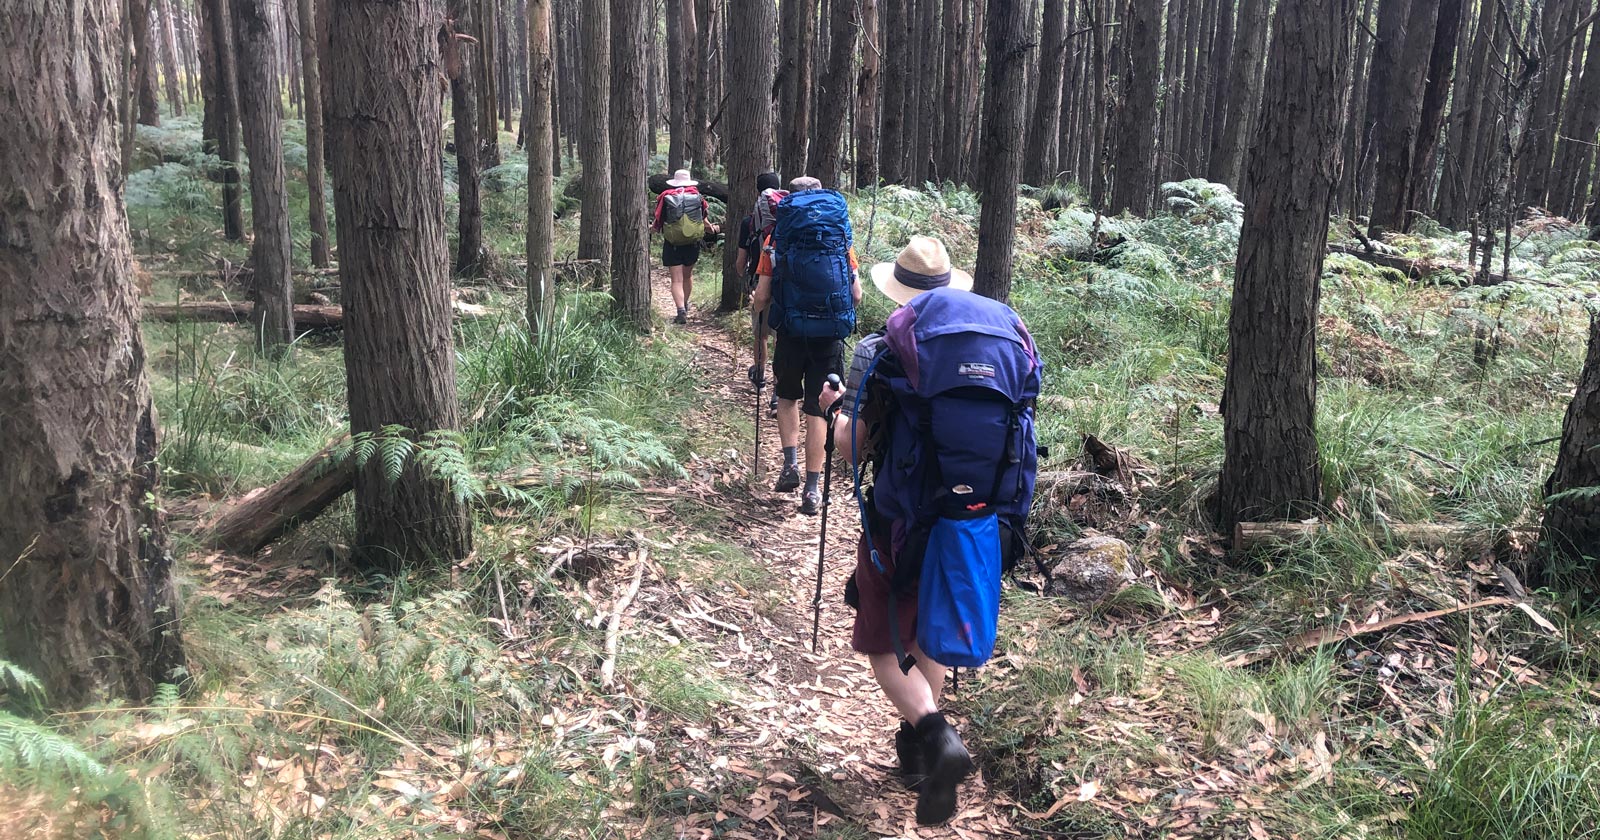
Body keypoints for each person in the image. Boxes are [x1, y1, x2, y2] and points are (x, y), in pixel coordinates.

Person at [817, 236, 1039, 826]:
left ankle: (934, 734)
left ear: (901, 290)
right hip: (975, 517)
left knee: (884, 636)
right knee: (930, 622)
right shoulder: (998, 343)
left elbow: (852, 446)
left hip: (901, 520)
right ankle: (917, 750)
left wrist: (834, 411)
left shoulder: (880, 348)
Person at [750, 176, 860, 514]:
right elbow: (856, 293)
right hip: (829, 335)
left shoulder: (777, 236)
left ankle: (790, 465)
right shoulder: (839, 236)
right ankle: (812, 490)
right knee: (819, 408)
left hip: (792, 331)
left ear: (789, 201)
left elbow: (764, 295)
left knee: (786, 397)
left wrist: (757, 307)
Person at [736, 171, 784, 402]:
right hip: (786, 286)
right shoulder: (788, 220)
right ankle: (778, 390)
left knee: (760, 334)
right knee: (780, 337)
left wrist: (743, 275)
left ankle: (760, 376)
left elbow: (739, 262)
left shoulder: (749, 222)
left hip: (759, 282)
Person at [652, 169, 718, 325]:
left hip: (672, 243)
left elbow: (658, 222)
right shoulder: (697, 197)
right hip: (692, 242)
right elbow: (704, 222)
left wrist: (650, 229)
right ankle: (685, 305)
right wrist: (713, 229)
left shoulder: (666, 197)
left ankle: (680, 310)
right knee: (687, 276)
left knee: (676, 280)